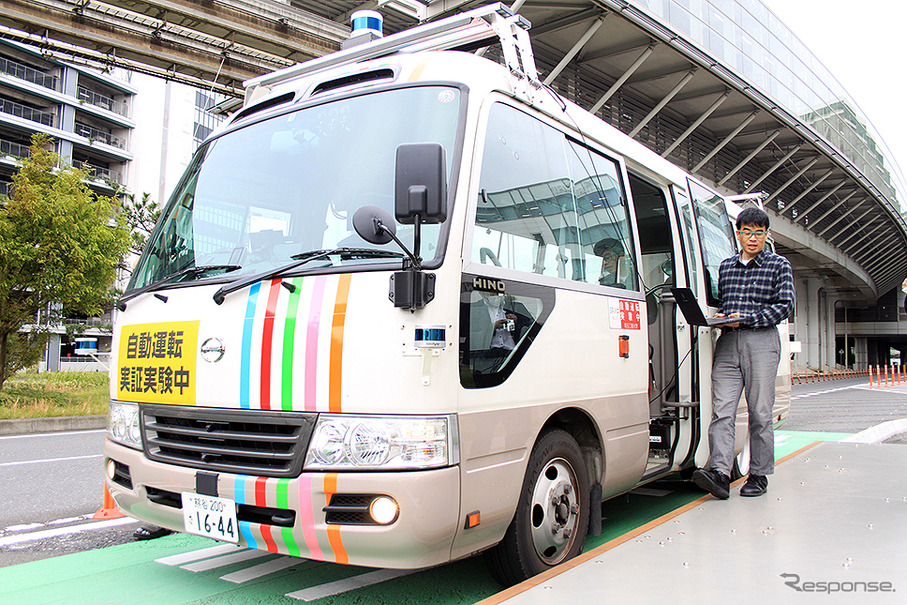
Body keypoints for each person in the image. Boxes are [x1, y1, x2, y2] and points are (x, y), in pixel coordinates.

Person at [692, 207, 794, 499]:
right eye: (747, 232)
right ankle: (721, 473)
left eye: (759, 233)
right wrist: (724, 316)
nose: (752, 238)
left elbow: (785, 306)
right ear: (738, 234)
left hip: (761, 340)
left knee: (760, 411)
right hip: (727, 341)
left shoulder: (778, 265)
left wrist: (746, 318)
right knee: (722, 410)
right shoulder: (726, 267)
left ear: (766, 235)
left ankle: (759, 475)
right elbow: (725, 302)